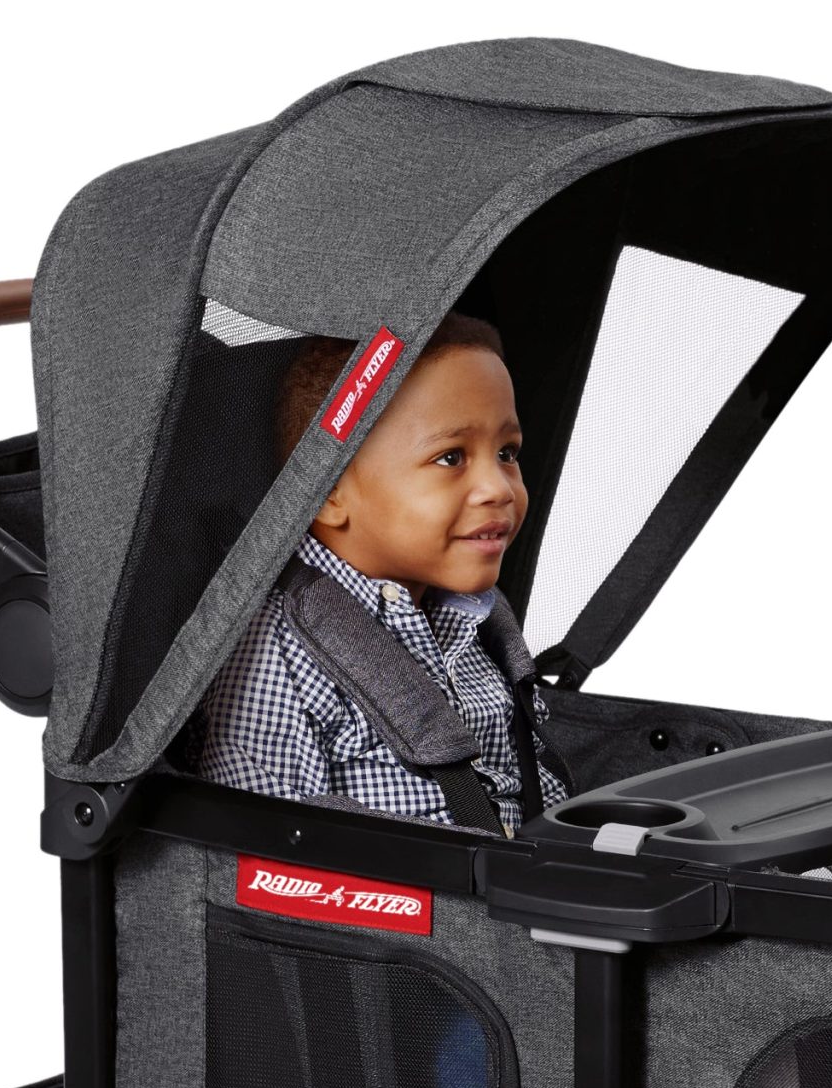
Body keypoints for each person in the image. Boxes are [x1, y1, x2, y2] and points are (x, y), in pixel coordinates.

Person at [186, 313, 568, 831]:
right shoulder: (279, 657)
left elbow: (526, 777)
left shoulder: (474, 622)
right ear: (328, 491)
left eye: (507, 453)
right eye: (451, 457)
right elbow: (261, 839)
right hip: (404, 881)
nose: (498, 488)